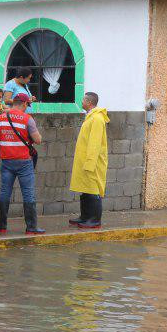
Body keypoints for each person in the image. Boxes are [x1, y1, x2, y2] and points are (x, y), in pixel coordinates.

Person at [0, 92, 45, 235]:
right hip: (23, 161)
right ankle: (31, 228)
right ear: (24, 104)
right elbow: (38, 140)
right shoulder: (27, 119)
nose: (27, 108)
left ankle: (2, 226)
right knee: (28, 194)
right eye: (27, 105)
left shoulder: (0, 118)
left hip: (6, 160)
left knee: (5, 192)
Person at [69, 91, 109, 229]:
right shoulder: (91, 117)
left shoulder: (97, 118)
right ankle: (85, 216)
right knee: (85, 188)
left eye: (83, 100)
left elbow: (95, 143)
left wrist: (90, 162)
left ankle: (94, 220)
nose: (81, 102)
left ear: (89, 103)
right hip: (85, 161)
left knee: (93, 190)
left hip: (92, 162)